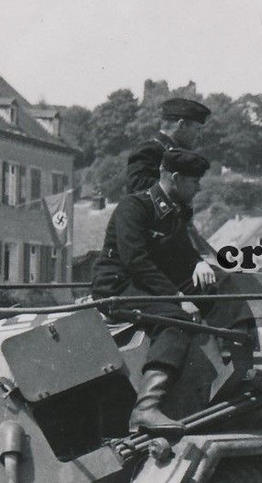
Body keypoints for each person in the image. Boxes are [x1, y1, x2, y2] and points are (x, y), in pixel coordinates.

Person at [92, 149, 215, 431]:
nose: (198, 188)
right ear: (175, 178)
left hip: (143, 284)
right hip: (116, 285)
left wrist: (198, 263)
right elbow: (136, 261)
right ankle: (146, 408)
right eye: (194, 182)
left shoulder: (175, 211)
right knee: (174, 320)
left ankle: (236, 366)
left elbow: (180, 251)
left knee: (214, 289)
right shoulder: (134, 207)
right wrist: (178, 299)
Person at [125, 97, 212, 193]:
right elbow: (138, 189)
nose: (199, 136)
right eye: (197, 129)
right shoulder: (149, 151)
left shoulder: (170, 151)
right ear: (182, 125)